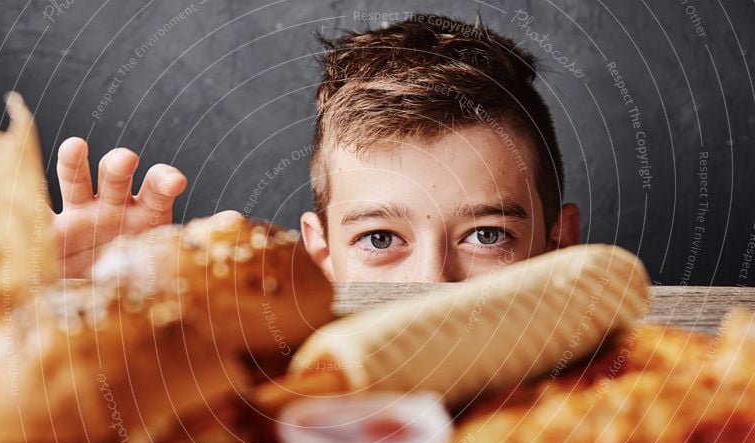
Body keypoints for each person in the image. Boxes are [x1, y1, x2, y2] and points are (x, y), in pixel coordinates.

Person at [54, 14, 579, 282]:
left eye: (486, 235)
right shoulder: (261, 408)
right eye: (379, 239)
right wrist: (98, 309)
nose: (430, 286)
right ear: (321, 252)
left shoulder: (629, 406)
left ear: (560, 244)